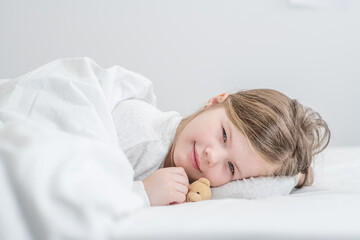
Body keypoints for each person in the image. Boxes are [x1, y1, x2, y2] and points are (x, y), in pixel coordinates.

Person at [112, 88, 331, 207]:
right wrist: (143, 194)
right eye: (224, 135)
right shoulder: (140, 138)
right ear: (216, 101)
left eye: (232, 168)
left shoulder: (202, 182)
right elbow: (80, 194)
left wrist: (294, 176)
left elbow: (247, 193)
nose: (212, 157)